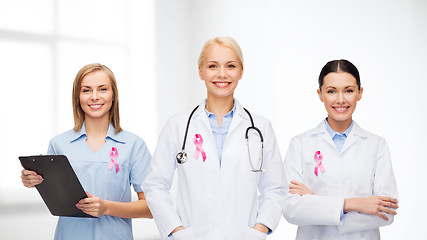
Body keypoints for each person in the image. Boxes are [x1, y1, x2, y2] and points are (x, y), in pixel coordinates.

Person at [142, 36, 286, 240]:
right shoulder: (178, 126)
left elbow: (275, 188)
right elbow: (155, 186)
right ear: (200, 71)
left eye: (230, 66)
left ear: (241, 72)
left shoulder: (260, 128)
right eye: (212, 66)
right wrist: (177, 231)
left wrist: (259, 230)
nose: (222, 74)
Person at [20, 63, 152, 240]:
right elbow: (53, 194)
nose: (95, 97)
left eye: (103, 89)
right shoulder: (59, 144)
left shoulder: (134, 145)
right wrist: (32, 180)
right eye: (86, 90)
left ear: (114, 95)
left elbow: (151, 208)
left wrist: (105, 207)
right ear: (78, 97)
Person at [282, 59, 399, 239]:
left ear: (360, 93)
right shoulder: (300, 144)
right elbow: (291, 209)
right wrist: (354, 204)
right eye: (331, 91)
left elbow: (387, 212)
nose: (341, 99)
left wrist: (314, 203)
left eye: (349, 90)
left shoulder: (376, 145)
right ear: (320, 94)